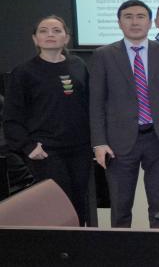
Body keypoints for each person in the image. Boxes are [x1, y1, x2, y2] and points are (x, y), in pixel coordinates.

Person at [90, 0, 159, 228]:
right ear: (119, 23)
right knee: (120, 206)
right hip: (118, 143)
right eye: (128, 17)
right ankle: (122, 248)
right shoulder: (104, 55)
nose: (134, 22)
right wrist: (99, 142)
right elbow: (96, 104)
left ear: (150, 22)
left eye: (140, 16)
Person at [3, 15, 92, 225]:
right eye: (43, 31)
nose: (50, 35)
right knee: (59, 206)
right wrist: (28, 146)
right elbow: (11, 117)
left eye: (56, 31)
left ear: (66, 38)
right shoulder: (24, 72)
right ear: (35, 39)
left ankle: (80, 244)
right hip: (46, 151)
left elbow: (89, 105)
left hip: (80, 149)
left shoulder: (78, 65)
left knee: (80, 204)